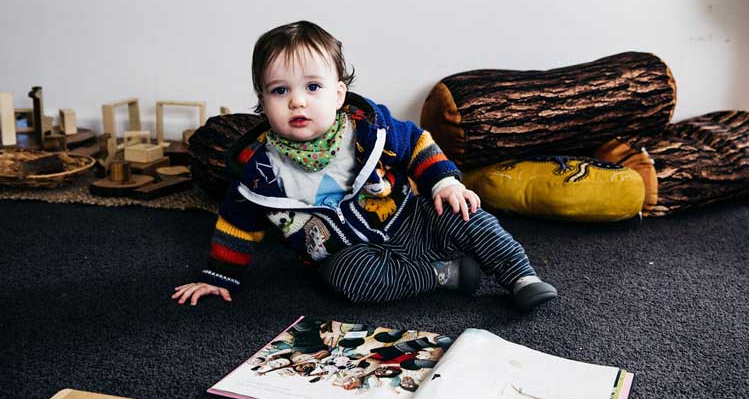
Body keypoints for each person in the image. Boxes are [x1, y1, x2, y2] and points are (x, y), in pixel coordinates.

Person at [171, 21, 557, 311]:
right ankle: (444, 274)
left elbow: (417, 143)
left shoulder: (368, 128)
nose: (297, 102)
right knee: (348, 282)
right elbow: (238, 224)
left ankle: (519, 274)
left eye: (313, 87)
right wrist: (218, 276)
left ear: (339, 94)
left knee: (466, 213)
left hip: (413, 220)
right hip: (349, 253)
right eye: (280, 90)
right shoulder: (258, 169)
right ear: (262, 99)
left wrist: (444, 183)